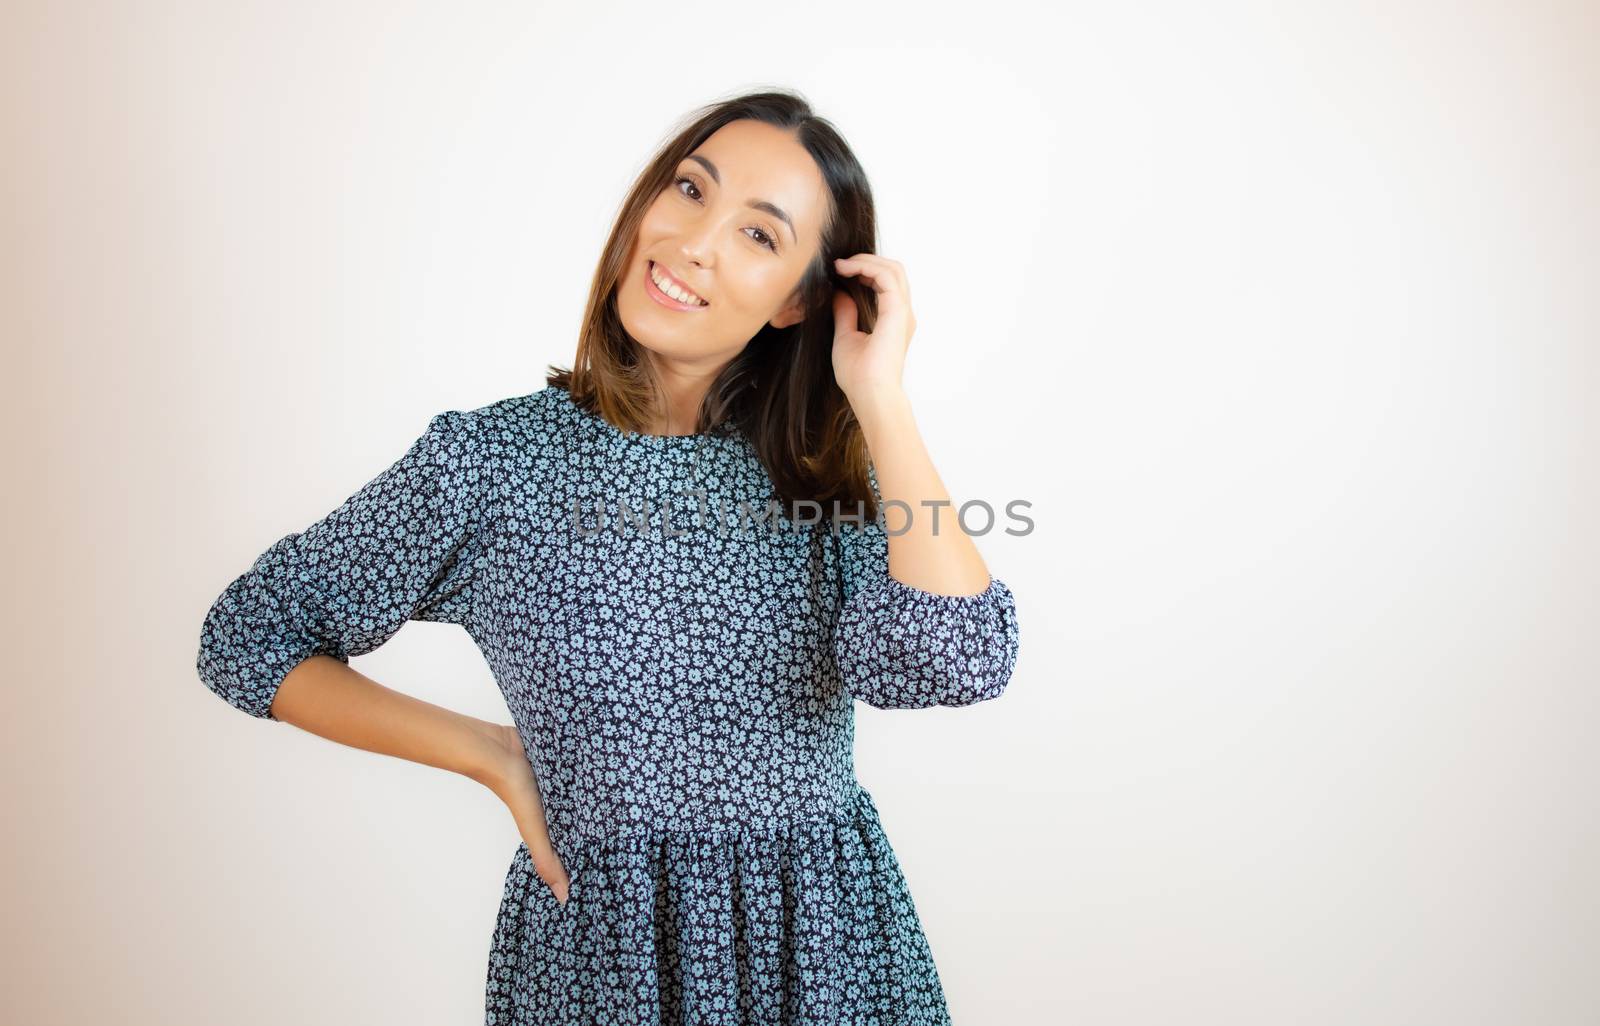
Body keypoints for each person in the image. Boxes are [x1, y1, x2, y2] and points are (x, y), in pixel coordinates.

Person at [197, 89, 1021, 1025]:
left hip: (825, 955)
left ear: (801, 300)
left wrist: (880, 395)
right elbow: (248, 637)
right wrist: (489, 754)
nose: (696, 242)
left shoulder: (821, 477)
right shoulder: (493, 464)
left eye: (759, 236)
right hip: (604, 963)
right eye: (689, 190)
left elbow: (957, 660)